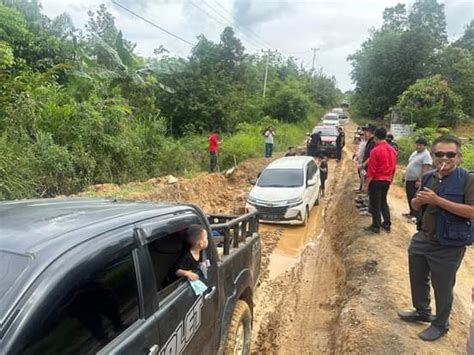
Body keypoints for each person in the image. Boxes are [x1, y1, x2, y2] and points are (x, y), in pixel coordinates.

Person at [398, 135, 474, 341]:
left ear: (459, 157)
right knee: (417, 275)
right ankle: (422, 311)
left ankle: (441, 324)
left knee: (443, 286)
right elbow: (416, 205)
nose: (445, 158)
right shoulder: (430, 176)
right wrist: (417, 201)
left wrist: (437, 200)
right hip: (424, 237)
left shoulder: (468, 179)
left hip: (449, 244)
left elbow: (471, 211)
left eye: (450, 154)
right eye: (439, 154)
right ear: (433, 156)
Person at [362, 127, 397, 233]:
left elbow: (371, 170)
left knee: (375, 203)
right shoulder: (392, 150)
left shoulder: (375, 151)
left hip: (376, 180)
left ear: (375, 137)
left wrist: (366, 184)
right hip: (387, 179)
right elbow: (394, 167)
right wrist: (391, 179)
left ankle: (375, 226)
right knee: (383, 201)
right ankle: (387, 223)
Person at [403, 137, 432, 222]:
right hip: (409, 178)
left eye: (421, 145)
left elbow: (425, 168)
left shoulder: (426, 155)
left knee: (415, 197)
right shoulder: (415, 153)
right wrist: (404, 174)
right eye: (418, 144)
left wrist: (420, 180)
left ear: (424, 146)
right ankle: (411, 213)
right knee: (409, 196)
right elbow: (409, 164)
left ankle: (416, 216)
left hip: (416, 180)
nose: (419, 146)